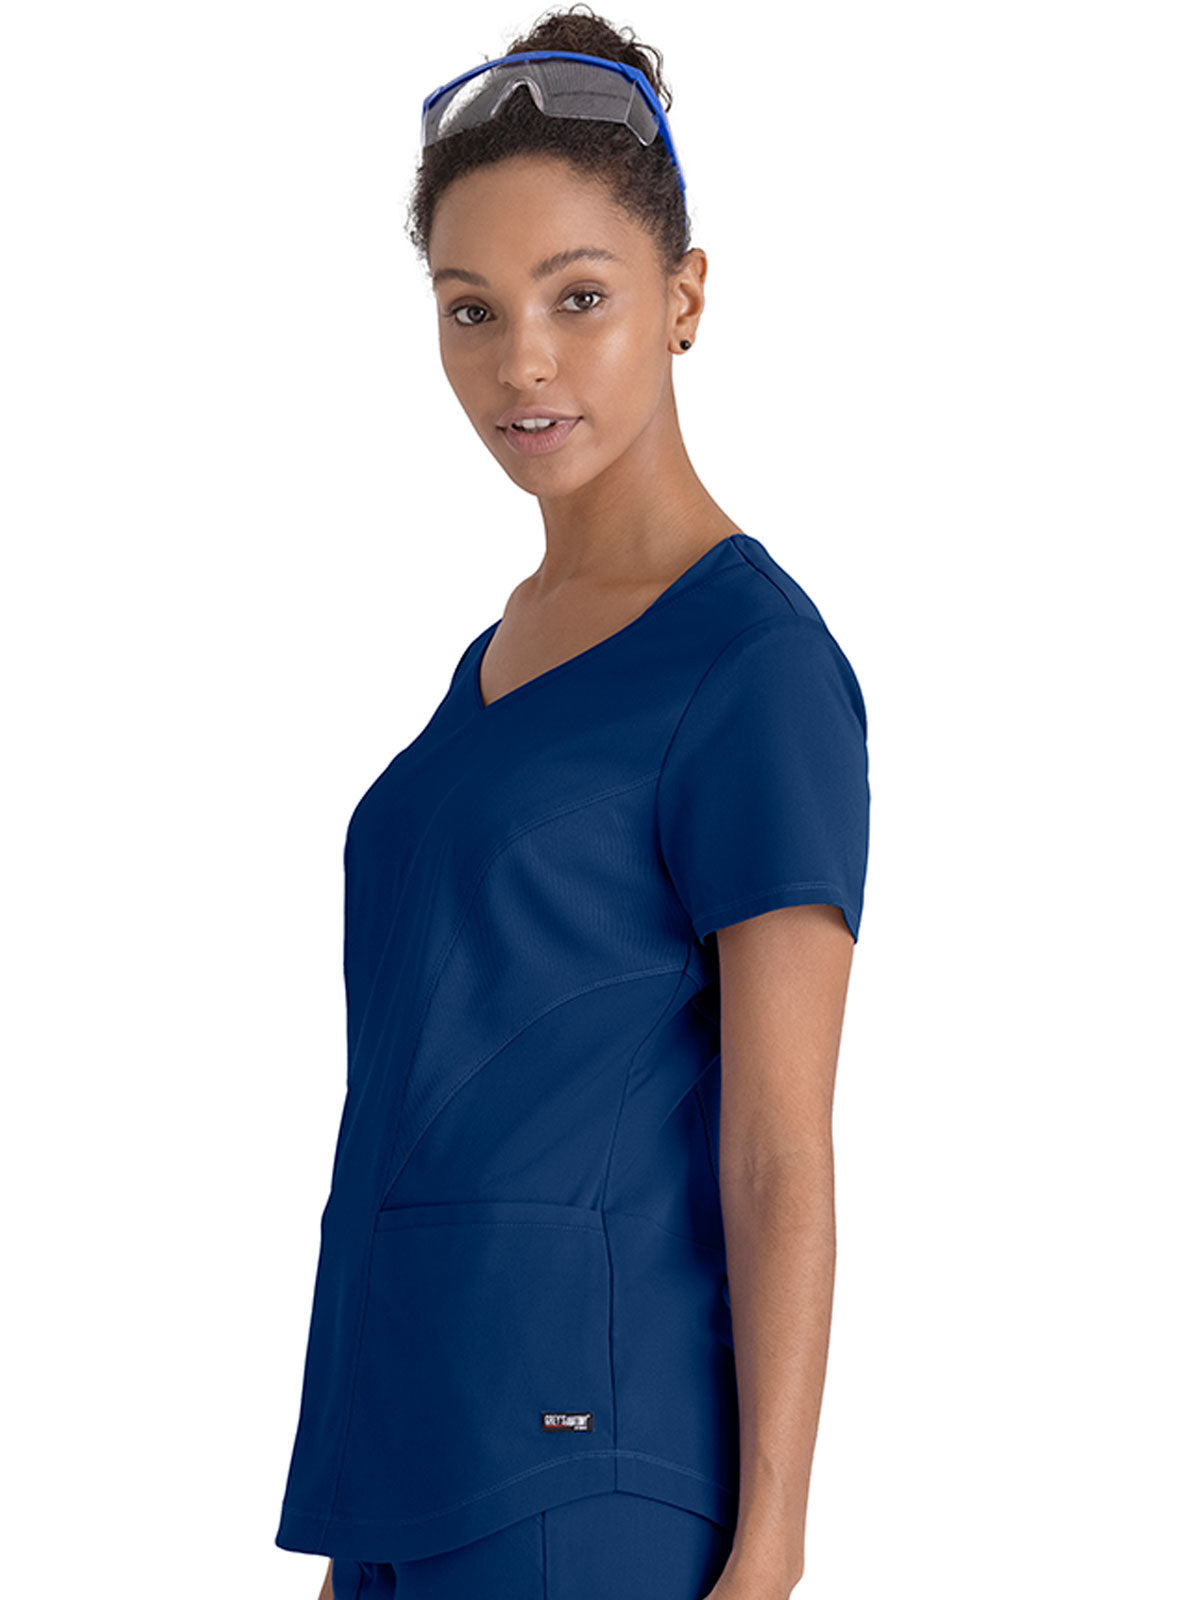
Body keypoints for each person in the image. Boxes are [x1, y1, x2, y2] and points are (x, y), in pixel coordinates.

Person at [274, 8, 871, 1599]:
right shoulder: (497, 655)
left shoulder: (751, 665)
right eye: (471, 309)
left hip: (583, 1468)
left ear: (685, 299)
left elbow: (780, 1153)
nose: (520, 362)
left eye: (578, 297)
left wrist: (770, 1553)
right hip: (403, 1443)